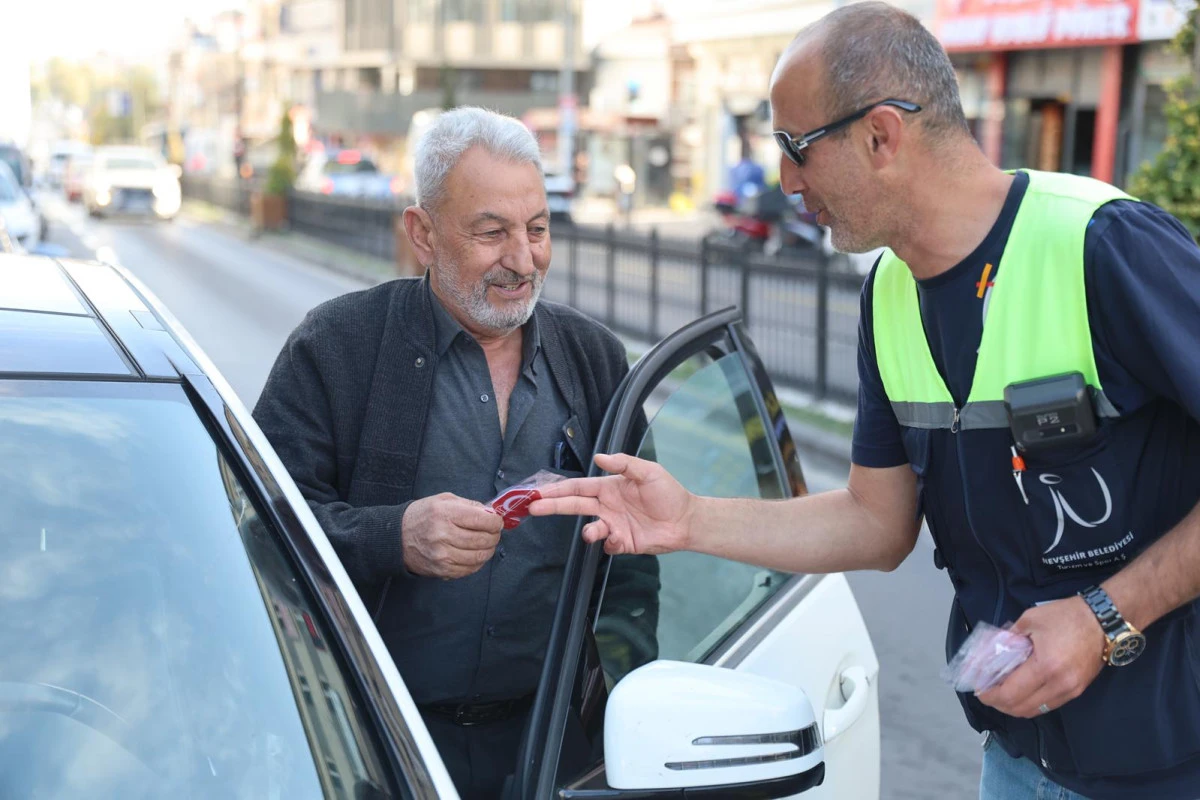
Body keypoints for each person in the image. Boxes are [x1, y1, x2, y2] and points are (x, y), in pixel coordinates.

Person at [530, 4, 1200, 799]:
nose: (786, 182)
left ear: (882, 135)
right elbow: (877, 522)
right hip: (1020, 764)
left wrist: (1103, 617)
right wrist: (687, 520)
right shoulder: (886, 294)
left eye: (795, 147)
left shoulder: (1101, 245)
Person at [254, 107, 655, 799]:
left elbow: (634, 562)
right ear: (422, 234)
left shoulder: (595, 360)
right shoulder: (335, 348)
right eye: (492, 232)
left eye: (537, 229)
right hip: (375, 750)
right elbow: (257, 526)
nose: (523, 260)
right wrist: (391, 537)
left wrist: (619, 704)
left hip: (555, 752)